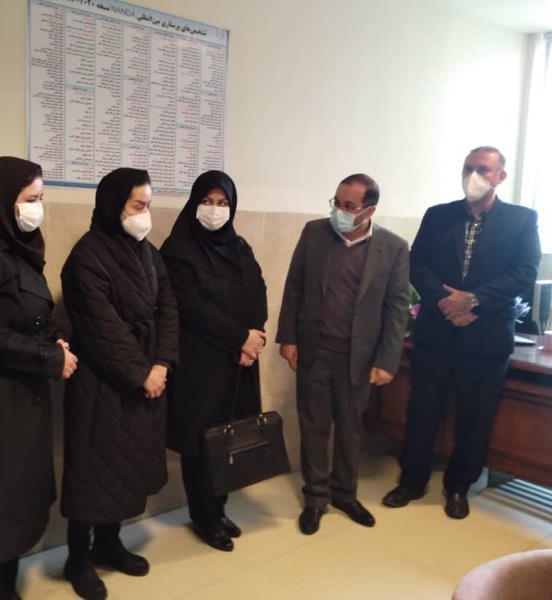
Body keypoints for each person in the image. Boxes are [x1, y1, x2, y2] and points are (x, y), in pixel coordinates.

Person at [383, 147, 541, 519]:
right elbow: (417, 263)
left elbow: (525, 271)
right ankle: (411, 481)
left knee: (476, 415)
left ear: (501, 176)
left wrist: (473, 300)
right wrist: (445, 301)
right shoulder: (439, 215)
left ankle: (458, 487)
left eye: (483, 169)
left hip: (486, 336)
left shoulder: (522, 219)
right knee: (422, 409)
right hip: (437, 332)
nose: (474, 175)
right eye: (469, 168)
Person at [0, 157, 78, 600]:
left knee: (19, 503)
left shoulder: (23, 249)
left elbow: (36, 313)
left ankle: (5, 589)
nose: (37, 208)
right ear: (2, 201)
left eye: (41, 198)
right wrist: (50, 357)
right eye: (30, 199)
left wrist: (57, 338)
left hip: (27, 397)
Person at [60, 168, 178, 600]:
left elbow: (168, 307)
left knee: (125, 468)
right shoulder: (87, 256)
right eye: (138, 205)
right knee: (92, 473)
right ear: (114, 206)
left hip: (145, 376)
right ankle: (78, 557)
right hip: (101, 383)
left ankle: (110, 544)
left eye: (148, 205)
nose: (145, 214)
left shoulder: (148, 253)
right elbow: (100, 327)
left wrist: (162, 362)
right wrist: (142, 372)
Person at [277, 173, 410, 535]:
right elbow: (294, 287)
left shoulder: (393, 247)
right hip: (315, 351)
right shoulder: (314, 233)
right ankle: (315, 498)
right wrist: (288, 338)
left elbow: (397, 307)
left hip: (359, 358)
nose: (340, 211)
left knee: (351, 429)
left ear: (370, 210)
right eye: (336, 202)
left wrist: (387, 360)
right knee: (314, 427)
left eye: (349, 206)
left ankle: (345, 494)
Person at [160, 170, 267, 552]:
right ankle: (203, 516)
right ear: (194, 203)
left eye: (223, 203)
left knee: (229, 437)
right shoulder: (177, 250)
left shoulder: (239, 247)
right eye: (207, 201)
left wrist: (255, 335)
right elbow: (191, 308)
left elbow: (258, 290)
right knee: (202, 441)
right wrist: (240, 338)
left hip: (239, 361)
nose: (215, 209)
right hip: (200, 363)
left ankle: (219, 508)